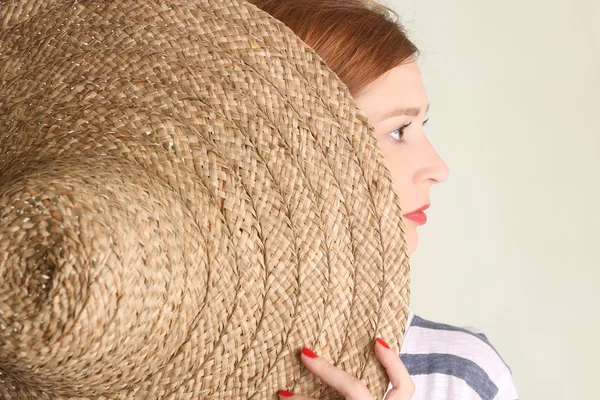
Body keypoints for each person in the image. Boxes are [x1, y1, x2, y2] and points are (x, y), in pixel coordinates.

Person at [246, 1, 520, 399]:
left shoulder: (457, 378)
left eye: (419, 125)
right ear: (295, 150)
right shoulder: (151, 363)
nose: (438, 168)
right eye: (399, 130)